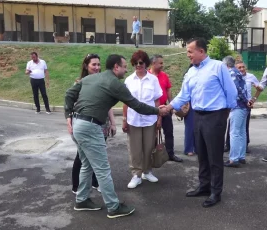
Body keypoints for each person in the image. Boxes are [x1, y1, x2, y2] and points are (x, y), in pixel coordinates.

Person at [64, 54, 169, 219]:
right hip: (90, 127)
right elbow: (136, 105)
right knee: (102, 169)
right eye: (124, 66)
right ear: (116, 67)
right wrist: (158, 111)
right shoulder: (115, 83)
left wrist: (68, 115)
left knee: (87, 165)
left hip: (79, 124)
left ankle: (82, 200)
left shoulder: (92, 78)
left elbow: (70, 94)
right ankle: (113, 207)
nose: (126, 69)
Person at [164, 38, 238, 208]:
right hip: (197, 116)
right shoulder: (191, 72)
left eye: (190, 51)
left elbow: (231, 91)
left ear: (201, 51)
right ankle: (204, 186)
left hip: (215, 116)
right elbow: (184, 95)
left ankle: (215, 192)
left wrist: (225, 113)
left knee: (214, 156)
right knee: (202, 154)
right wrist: (169, 107)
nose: (187, 54)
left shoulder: (218, 67)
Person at [71, 54, 117, 194]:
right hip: (86, 124)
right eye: (93, 65)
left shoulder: (103, 81)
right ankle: (76, 185)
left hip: (102, 124)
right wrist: (70, 123)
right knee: (82, 155)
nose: (97, 67)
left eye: (98, 64)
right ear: (86, 66)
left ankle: (96, 182)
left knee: (99, 154)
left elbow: (107, 104)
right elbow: (72, 105)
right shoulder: (80, 83)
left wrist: (113, 122)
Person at [122, 50, 163, 189]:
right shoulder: (128, 80)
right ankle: (136, 174)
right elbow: (126, 102)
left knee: (148, 147)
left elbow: (157, 100)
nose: (138, 65)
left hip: (150, 119)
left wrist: (159, 118)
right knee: (134, 148)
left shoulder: (153, 79)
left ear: (146, 63)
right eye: (135, 63)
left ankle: (147, 171)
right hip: (133, 119)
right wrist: (124, 119)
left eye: (141, 63)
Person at [149, 54, 183, 162]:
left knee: (169, 132)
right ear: (153, 63)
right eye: (160, 63)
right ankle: (152, 156)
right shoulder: (147, 76)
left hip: (165, 109)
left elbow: (168, 90)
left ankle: (170, 154)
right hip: (152, 111)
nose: (162, 65)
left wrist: (171, 104)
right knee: (151, 134)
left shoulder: (164, 75)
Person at [222, 56, 250, 167]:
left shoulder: (231, 73)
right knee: (241, 132)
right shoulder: (237, 72)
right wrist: (247, 102)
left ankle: (234, 159)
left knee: (234, 133)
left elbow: (235, 90)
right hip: (243, 106)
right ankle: (241, 156)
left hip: (238, 106)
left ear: (226, 64)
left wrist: (244, 101)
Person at [182, 64, 195, 156]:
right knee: (190, 127)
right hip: (189, 103)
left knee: (199, 127)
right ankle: (189, 148)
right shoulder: (187, 76)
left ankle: (198, 148)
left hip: (199, 102)